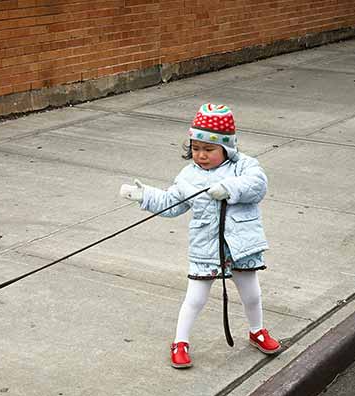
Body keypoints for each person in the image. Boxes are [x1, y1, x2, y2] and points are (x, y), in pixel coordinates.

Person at [119, 103, 280, 368]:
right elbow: (172, 203)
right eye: (196, 148)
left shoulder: (244, 166)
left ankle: (257, 331)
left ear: (226, 148)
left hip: (241, 245)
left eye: (209, 149)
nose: (201, 155)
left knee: (251, 293)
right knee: (195, 298)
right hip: (206, 247)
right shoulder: (187, 176)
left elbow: (258, 185)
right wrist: (144, 195)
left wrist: (229, 187)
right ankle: (180, 341)